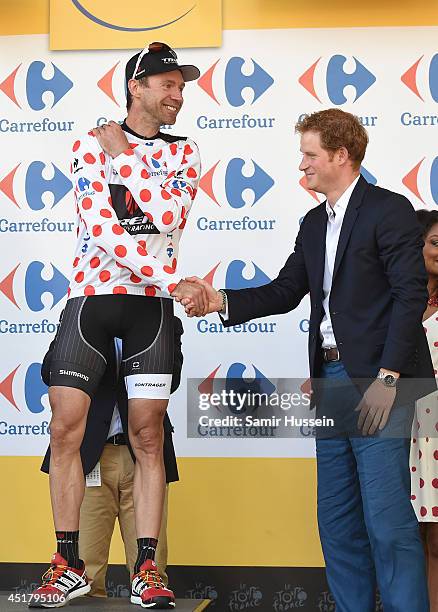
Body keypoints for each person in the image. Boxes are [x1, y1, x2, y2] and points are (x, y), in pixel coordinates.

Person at [181, 109, 436, 612]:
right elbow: (285, 290)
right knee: (336, 521)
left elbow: (410, 297)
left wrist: (388, 377)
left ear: (342, 156)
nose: (303, 167)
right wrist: (219, 302)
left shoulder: (390, 210)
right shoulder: (313, 222)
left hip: (380, 379)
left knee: (387, 522)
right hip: (331, 380)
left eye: (310, 156)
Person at [30, 41, 206, 610]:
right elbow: (106, 227)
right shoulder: (87, 141)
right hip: (93, 299)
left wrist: (124, 165)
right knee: (66, 428)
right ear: (138, 86)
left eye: (182, 86)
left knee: (148, 436)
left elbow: (166, 218)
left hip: (149, 309)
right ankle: (67, 562)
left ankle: (147, 567)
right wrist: (169, 276)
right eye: (169, 85)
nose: (178, 95)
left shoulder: (186, 151)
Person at [39, 316, 184, 598]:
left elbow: (171, 380)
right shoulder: (80, 317)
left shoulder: (164, 321)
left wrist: (137, 339)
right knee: (83, 576)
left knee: (151, 572)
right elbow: (49, 372)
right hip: (89, 457)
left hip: (144, 458)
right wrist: (87, 351)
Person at [410, 209, 438, 612]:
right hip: (397, 436)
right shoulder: (390, 306)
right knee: (401, 540)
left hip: (435, 442)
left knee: (435, 544)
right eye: (434, 242)